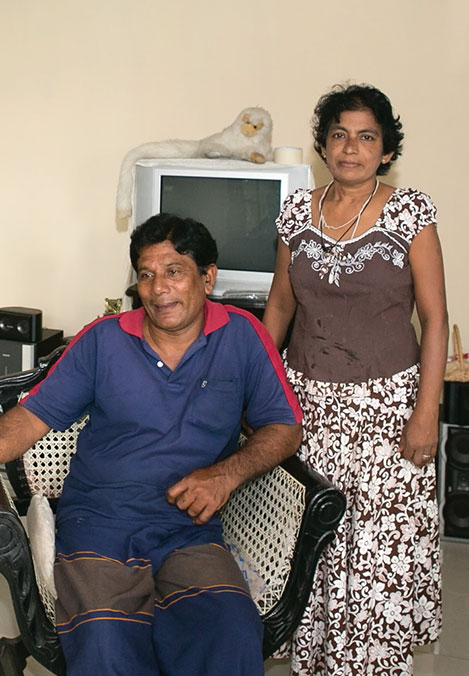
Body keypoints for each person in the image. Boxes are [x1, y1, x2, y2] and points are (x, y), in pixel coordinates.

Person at [0, 213, 302, 676]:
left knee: (230, 632)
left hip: (190, 531)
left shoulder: (242, 336)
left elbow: (284, 427)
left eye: (174, 271)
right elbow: (25, 421)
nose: (159, 288)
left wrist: (224, 475)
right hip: (99, 524)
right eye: (147, 275)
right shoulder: (103, 340)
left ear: (208, 276)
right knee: (106, 640)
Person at [262, 83, 448, 676]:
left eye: (366, 137)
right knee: (314, 532)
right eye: (339, 135)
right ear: (324, 145)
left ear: (385, 150)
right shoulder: (297, 211)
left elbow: (436, 318)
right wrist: (261, 389)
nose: (351, 148)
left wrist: (427, 412)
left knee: (373, 543)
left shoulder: (411, 212)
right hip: (307, 404)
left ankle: (368, 659)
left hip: (387, 408)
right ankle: (314, 648)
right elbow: (280, 307)